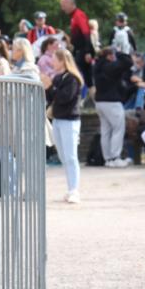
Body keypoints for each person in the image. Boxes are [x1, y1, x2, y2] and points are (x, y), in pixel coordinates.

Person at [43, 48, 84, 204]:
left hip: (70, 120)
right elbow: (52, 97)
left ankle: (74, 189)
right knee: (63, 156)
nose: (52, 62)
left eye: (54, 59)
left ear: (62, 61)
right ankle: (70, 188)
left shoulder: (72, 78)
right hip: (58, 120)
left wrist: (50, 87)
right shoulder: (59, 77)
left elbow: (65, 97)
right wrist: (48, 87)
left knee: (71, 156)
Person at [92, 46, 134, 168]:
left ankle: (108, 159)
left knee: (106, 131)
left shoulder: (98, 66)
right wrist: (120, 51)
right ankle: (115, 157)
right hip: (112, 102)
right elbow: (128, 62)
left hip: (100, 102)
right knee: (118, 129)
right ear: (109, 56)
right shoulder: (109, 67)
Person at [61, 0, 94, 88]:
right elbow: (76, 38)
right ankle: (93, 98)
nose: (62, 8)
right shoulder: (73, 16)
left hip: (83, 51)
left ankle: (76, 96)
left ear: (69, 3)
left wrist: (88, 51)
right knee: (87, 79)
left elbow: (86, 33)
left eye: (63, 5)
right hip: (79, 50)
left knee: (74, 72)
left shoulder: (78, 15)